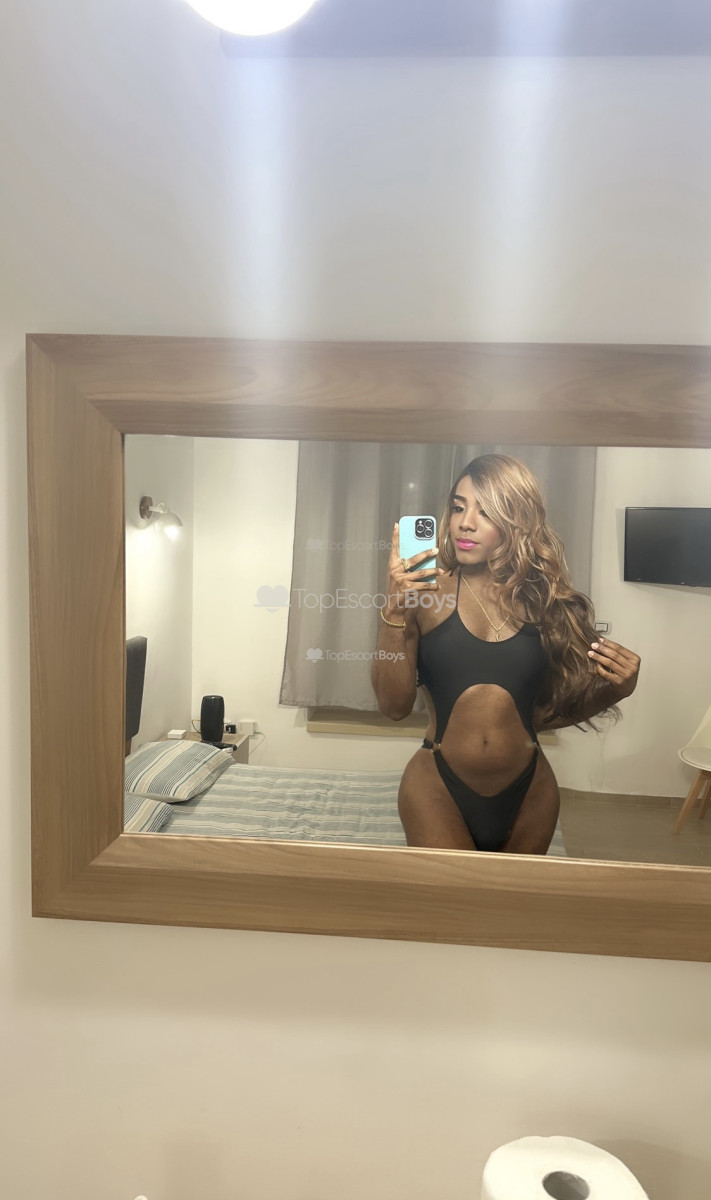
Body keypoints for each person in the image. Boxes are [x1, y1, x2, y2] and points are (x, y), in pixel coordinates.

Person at [371, 454, 641, 854]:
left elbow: (547, 716)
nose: (465, 523)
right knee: (457, 896)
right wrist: (394, 612)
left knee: (514, 899)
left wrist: (618, 689)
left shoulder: (548, 603)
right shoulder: (426, 595)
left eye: (486, 511)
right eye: (458, 507)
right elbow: (393, 706)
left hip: (531, 790)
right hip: (438, 783)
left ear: (518, 520)